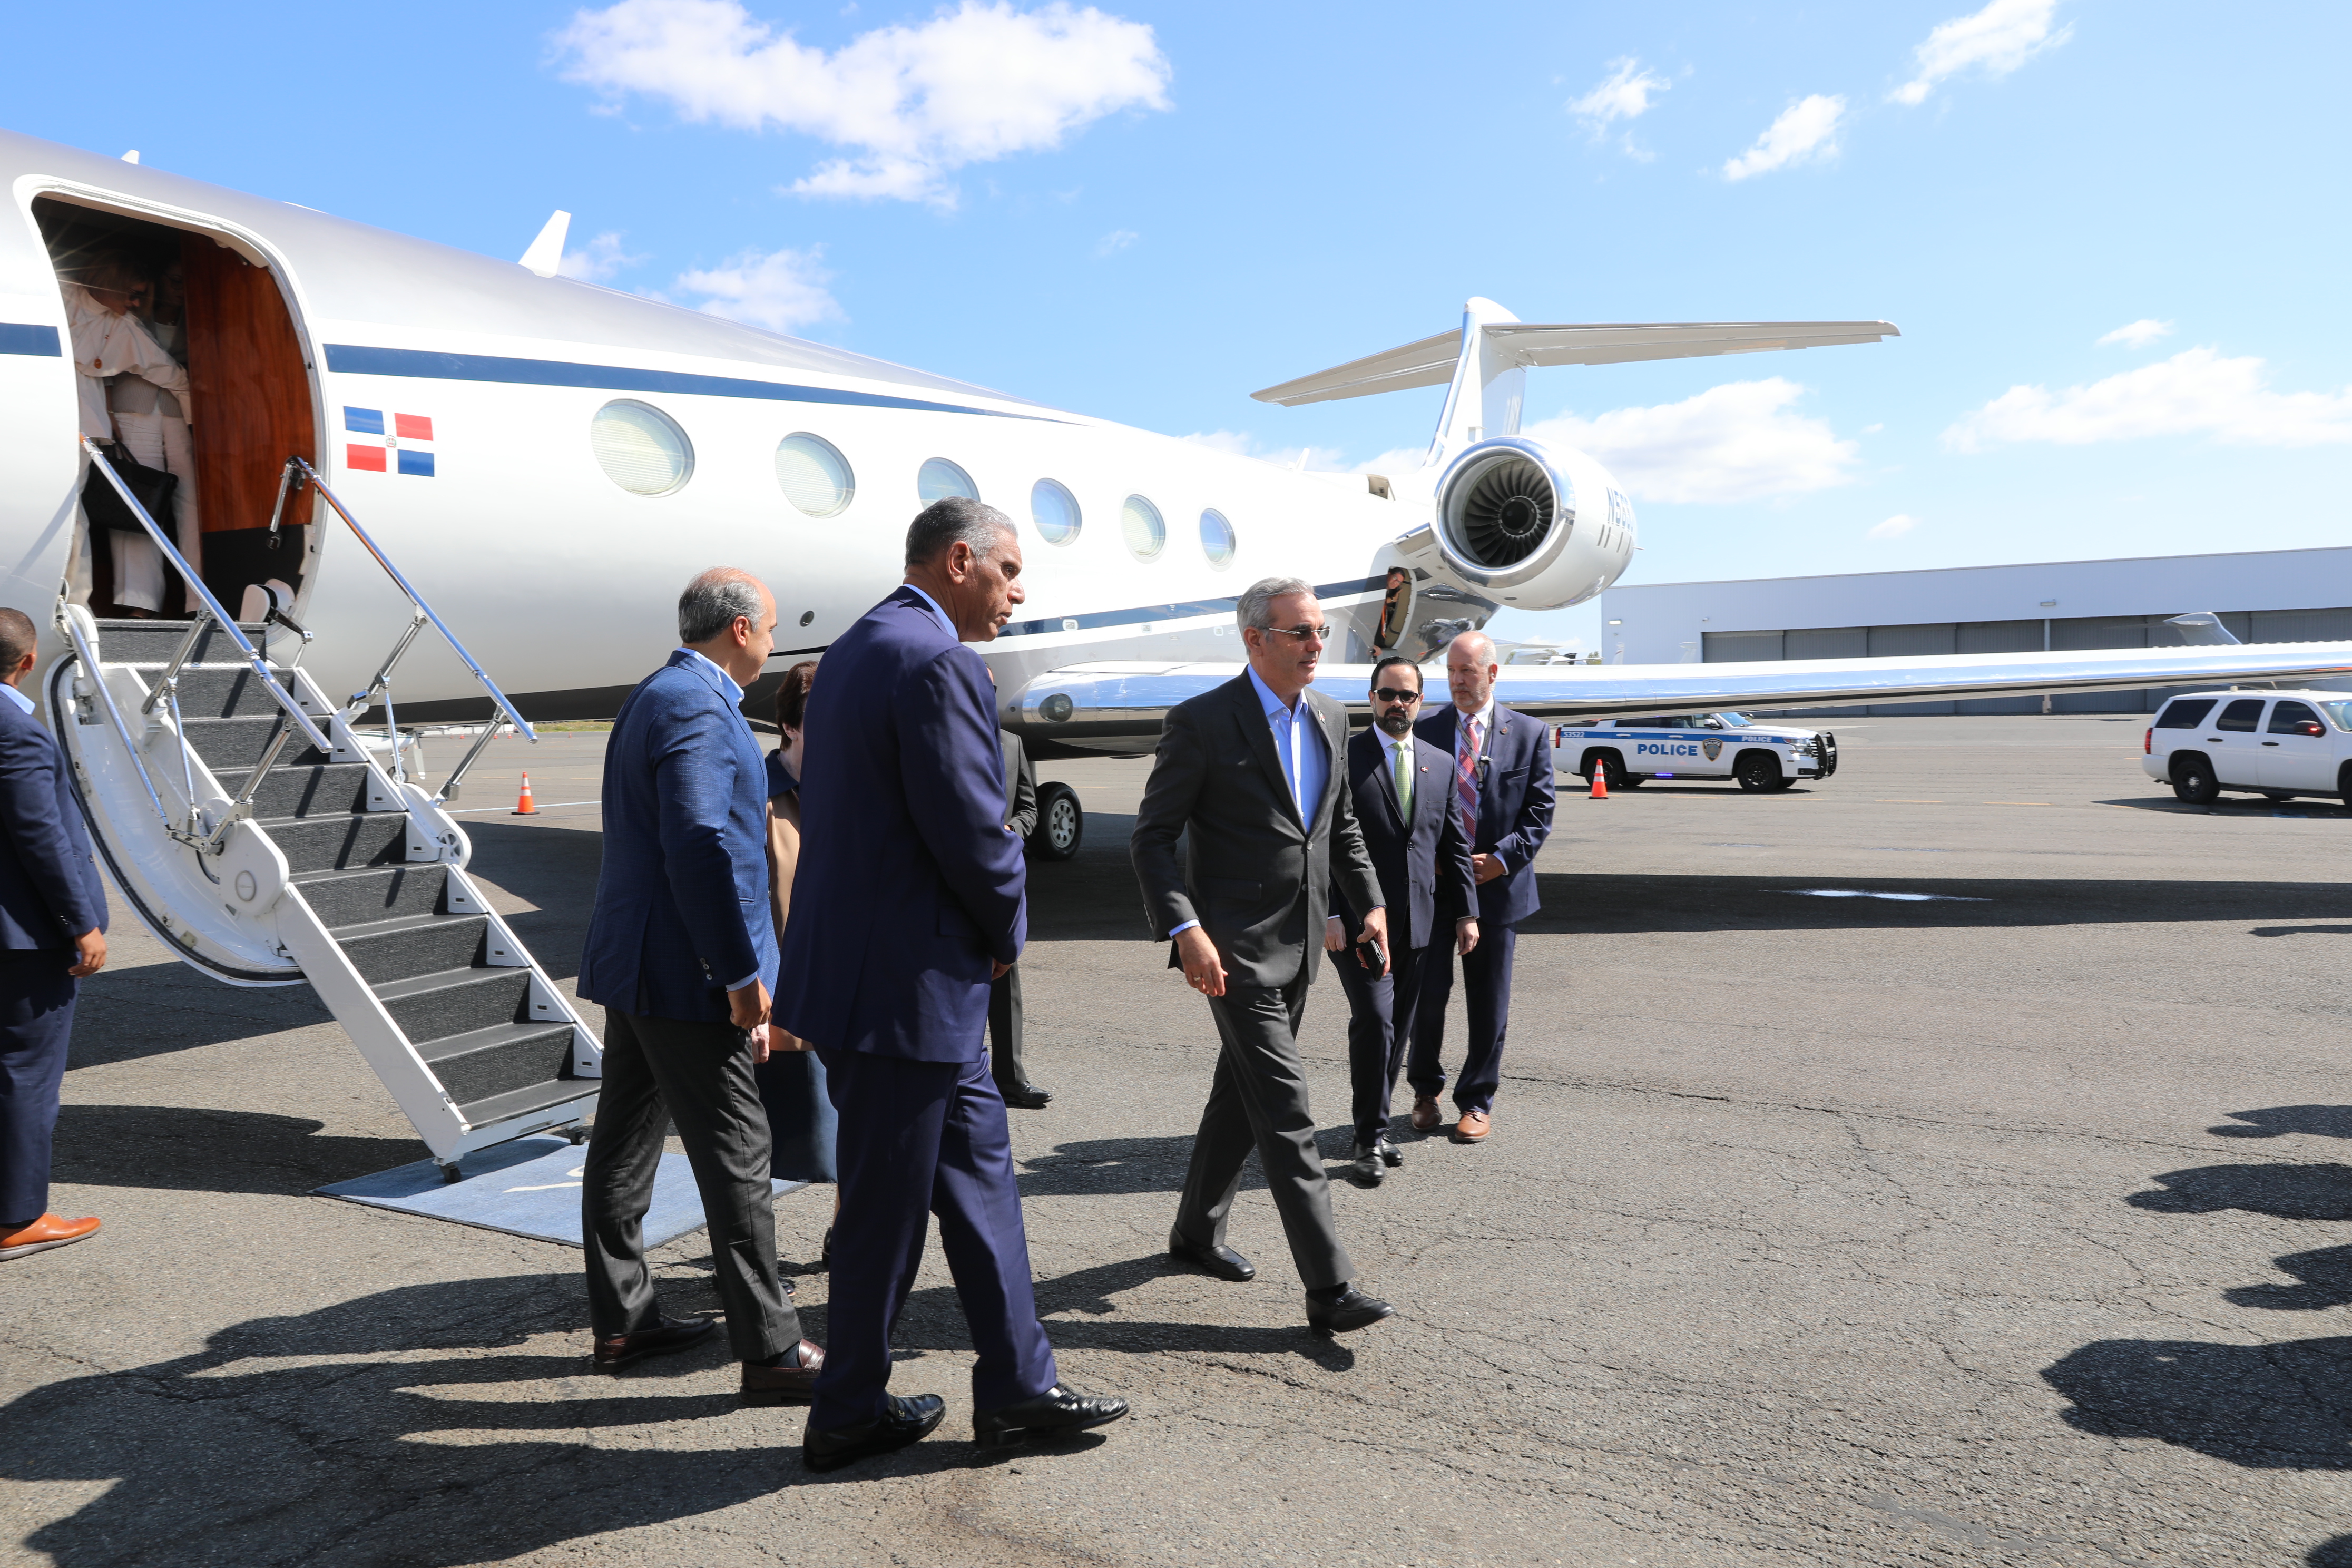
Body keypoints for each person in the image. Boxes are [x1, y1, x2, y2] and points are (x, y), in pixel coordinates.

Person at [776, 496, 1126, 1471]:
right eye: (1009, 573)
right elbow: (974, 830)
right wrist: (1005, 932)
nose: (1018, 593)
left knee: (982, 1187)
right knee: (883, 1217)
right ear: (960, 560)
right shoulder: (939, 660)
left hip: (885, 983)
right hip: (905, 992)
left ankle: (1018, 1387)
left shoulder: (855, 647)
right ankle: (846, 1410)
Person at [575, 569, 823, 1404]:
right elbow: (702, 844)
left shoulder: (658, 693)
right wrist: (742, 976)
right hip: (688, 975)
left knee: (625, 1142)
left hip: (640, 964)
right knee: (738, 1154)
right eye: (772, 628)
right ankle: (772, 1349)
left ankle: (625, 1320)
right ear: (741, 629)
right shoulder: (699, 707)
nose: (774, 644)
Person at [1130, 575, 1397, 1336]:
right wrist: (1185, 931)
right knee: (1286, 1110)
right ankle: (1330, 1288)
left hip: (1302, 943)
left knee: (1237, 1099)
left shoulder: (1330, 716)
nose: (1317, 645)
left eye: (1319, 632)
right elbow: (1152, 839)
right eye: (1300, 632)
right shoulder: (1202, 722)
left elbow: (1339, 827)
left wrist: (1370, 903)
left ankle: (1194, 1232)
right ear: (1255, 639)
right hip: (1233, 953)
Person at [1323, 655, 1478, 1185]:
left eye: (1407, 696)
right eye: (1387, 694)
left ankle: (1375, 1125)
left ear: (1420, 702)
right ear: (1371, 699)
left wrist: (1467, 912)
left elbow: (1454, 846)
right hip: (1357, 921)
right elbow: (1322, 842)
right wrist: (1330, 911)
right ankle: (1368, 1139)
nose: (1397, 704)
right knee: (1374, 1019)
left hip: (1419, 923)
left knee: (1397, 1028)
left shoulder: (1440, 763)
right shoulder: (1344, 758)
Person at [1408, 630, 1556, 1145]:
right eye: (1450, 671)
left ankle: (1476, 1101)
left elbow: (1540, 812)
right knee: (1426, 998)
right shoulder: (1425, 729)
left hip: (1498, 888)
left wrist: (1501, 860)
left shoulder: (1529, 734)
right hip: (1435, 888)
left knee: (1489, 1002)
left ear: (1492, 673)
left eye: (1467, 671)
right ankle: (1424, 1092)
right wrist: (1428, 858)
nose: (1457, 681)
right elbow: (1408, 804)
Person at [0, 608, 110, 1262]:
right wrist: (82, 925)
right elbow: (41, 837)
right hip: (24, 938)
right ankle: (18, 1219)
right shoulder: (17, 732)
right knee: (26, 1073)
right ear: (28, 661)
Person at [62, 254, 190, 619]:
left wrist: (197, 421)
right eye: (132, 293)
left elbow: (171, 374)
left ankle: (76, 603)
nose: (135, 303)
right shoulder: (56, 294)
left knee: (74, 515)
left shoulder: (124, 326)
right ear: (111, 282)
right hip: (43, 415)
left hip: (84, 424)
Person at [755, 661, 837, 1192]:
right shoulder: (757, 796)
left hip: (851, 999)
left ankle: (845, 1231)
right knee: (784, 1151)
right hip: (780, 1003)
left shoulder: (858, 791)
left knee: (857, 1146)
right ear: (790, 726)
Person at [989, 730, 1051, 1110]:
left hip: (1001, 876)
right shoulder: (947, 735)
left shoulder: (1011, 743)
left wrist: (1014, 831)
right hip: (952, 874)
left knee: (1005, 971)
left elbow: (1029, 806)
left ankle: (1010, 1079)